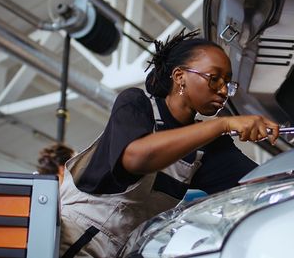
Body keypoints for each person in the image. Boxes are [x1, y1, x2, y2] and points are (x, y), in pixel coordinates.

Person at [58, 29, 280, 258]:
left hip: (126, 251)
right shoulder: (137, 103)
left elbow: (258, 185)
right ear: (179, 76)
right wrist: (222, 125)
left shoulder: (208, 148)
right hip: (74, 239)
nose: (224, 91)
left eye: (227, 83)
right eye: (214, 79)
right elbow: (136, 158)